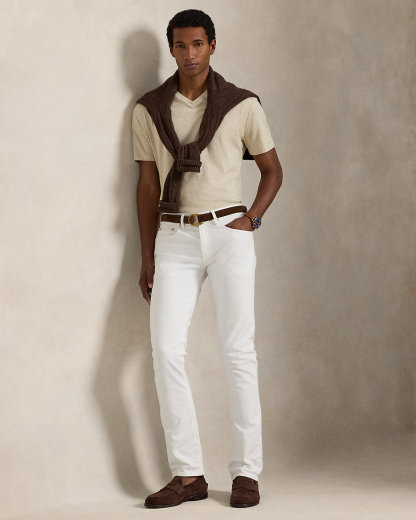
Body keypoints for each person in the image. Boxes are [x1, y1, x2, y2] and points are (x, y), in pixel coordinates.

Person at [132, 8, 282, 509]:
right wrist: (148, 254)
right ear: (171, 49)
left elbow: (272, 170)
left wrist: (251, 220)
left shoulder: (242, 104)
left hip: (228, 232)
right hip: (174, 235)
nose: (189, 53)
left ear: (212, 46)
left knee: (238, 351)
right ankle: (189, 474)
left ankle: (246, 473)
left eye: (198, 44)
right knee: (165, 349)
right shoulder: (149, 109)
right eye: (181, 45)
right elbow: (148, 185)